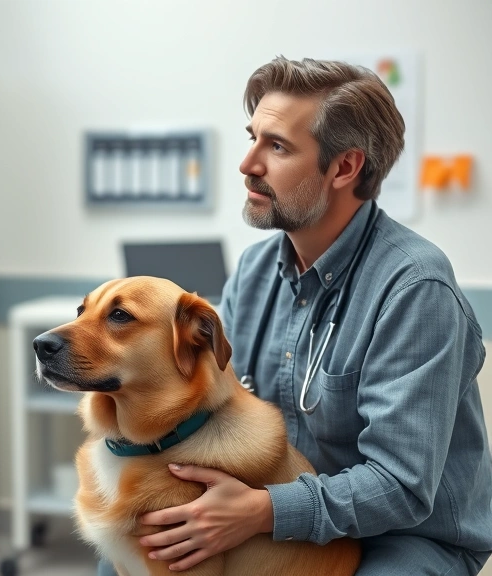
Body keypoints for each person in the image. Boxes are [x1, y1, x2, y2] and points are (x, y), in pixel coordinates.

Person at [98, 56, 492, 575]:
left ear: (345, 168)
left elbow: (400, 485)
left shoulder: (416, 288)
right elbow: (216, 403)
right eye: (252, 137)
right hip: (267, 515)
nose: (248, 164)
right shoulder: (256, 268)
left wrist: (262, 511)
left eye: (277, 146)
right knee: (126, 558)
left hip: (400, 538)